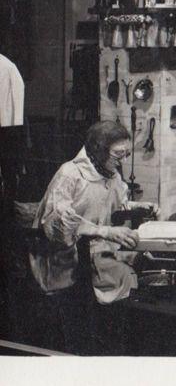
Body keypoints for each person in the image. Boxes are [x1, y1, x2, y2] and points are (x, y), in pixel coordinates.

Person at [28, 120, 157, 353]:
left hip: (91, 257)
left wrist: (139, 207)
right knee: (77, 329)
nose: (123, 161)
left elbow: (116, 203)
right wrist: (105, 231)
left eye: (127, 154)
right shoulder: (71, 174)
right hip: (62, 263)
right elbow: (58, 224)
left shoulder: (111, 173)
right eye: (118, 154)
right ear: (98, 148)